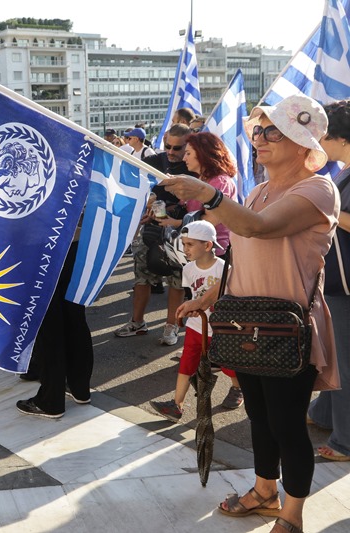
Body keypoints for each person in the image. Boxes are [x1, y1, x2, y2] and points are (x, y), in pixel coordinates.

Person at [165, 94, 339, 533]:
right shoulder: (258, 191)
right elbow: (241, 256)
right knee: (259, 418)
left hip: (287, 327)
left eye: (272, 131)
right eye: (258, 130)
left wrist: (207, 194)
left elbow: (255, 228)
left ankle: (292, 515)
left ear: (303, 144)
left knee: (286, 423)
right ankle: (264, 491)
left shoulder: (317, 189)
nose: (259, 139)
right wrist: (208, 298)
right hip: (247, 322)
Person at [149, 221, 242, 422]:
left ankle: (238, 388)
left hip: (220, 328)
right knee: (187, 362)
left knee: (227, 365)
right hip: (196, 326)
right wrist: (190, 309)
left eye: (190, 244)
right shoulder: (188, 269)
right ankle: (177, 405)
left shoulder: (224, 268)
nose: (185, 249)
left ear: (208, 246)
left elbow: (230, 299)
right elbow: (192, 295)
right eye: (183, 243)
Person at [113, 124, 193, 345]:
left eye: (178, 148)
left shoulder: (194, 166)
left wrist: (177, 211)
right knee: (142, 276)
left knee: (176, 281)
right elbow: (133, 185)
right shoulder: (155, 161)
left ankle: (171, 326)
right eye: (168, 146)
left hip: (181, 233)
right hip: (152, 229)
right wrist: (144, 203)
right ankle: (137, 322)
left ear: (189, 145)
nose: (171, 152)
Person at [308, 99, 350, 463]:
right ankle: (324, 415)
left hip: (347, 285)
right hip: (338, 281)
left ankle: (346, 441)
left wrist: (329, 212)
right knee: (335, 358)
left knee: (345, 362)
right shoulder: (344, 170)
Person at [16, 231, 94, 418]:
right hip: (74, 242)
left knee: (47, 325)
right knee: (75, 318)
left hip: (41, 245)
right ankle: (80, 387)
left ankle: (51, 400)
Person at [154, 131, 238, 254]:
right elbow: (187, 209)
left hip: (214, 253)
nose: (184, 158)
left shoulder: (220, 181)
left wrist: (175, 223)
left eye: (188, 153)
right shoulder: (201, 179)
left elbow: (210, 221)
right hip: (197, 251)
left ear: (202, 154)